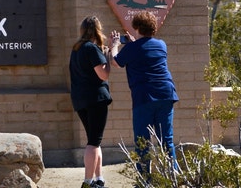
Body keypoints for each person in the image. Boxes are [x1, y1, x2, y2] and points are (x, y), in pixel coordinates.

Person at [109, 11, 179, 176]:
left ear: (137, 27)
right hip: (166, 95)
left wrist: (114, 45)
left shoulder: (132, 48)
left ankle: (144, 179)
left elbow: (115, 62)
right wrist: (134, 44)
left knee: (142, 141)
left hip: (144, 97)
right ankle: (172, 176)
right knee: (166, 139)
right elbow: (145, 52)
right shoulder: (161, 44)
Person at [69, 16, 113, 188]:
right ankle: (88, 182)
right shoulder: (91, 48)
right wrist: (108, 55)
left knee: (95, 139)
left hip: (81, 100)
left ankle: (99, 178)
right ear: (98, 30)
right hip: (96, 99)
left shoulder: (77, 49)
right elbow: (103, 74)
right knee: (93, 142)